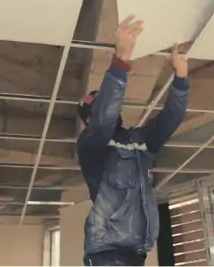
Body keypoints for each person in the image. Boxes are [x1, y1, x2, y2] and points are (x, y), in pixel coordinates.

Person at [77, 15, 190, 266]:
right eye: (99, 108)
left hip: (136, 251)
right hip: (106, 249)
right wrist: (121, 61)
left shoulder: (141, 141)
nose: (110, 110)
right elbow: (104, 118)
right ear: (89, 119)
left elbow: (170, 119)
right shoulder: (92, 146)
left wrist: (181, 80)